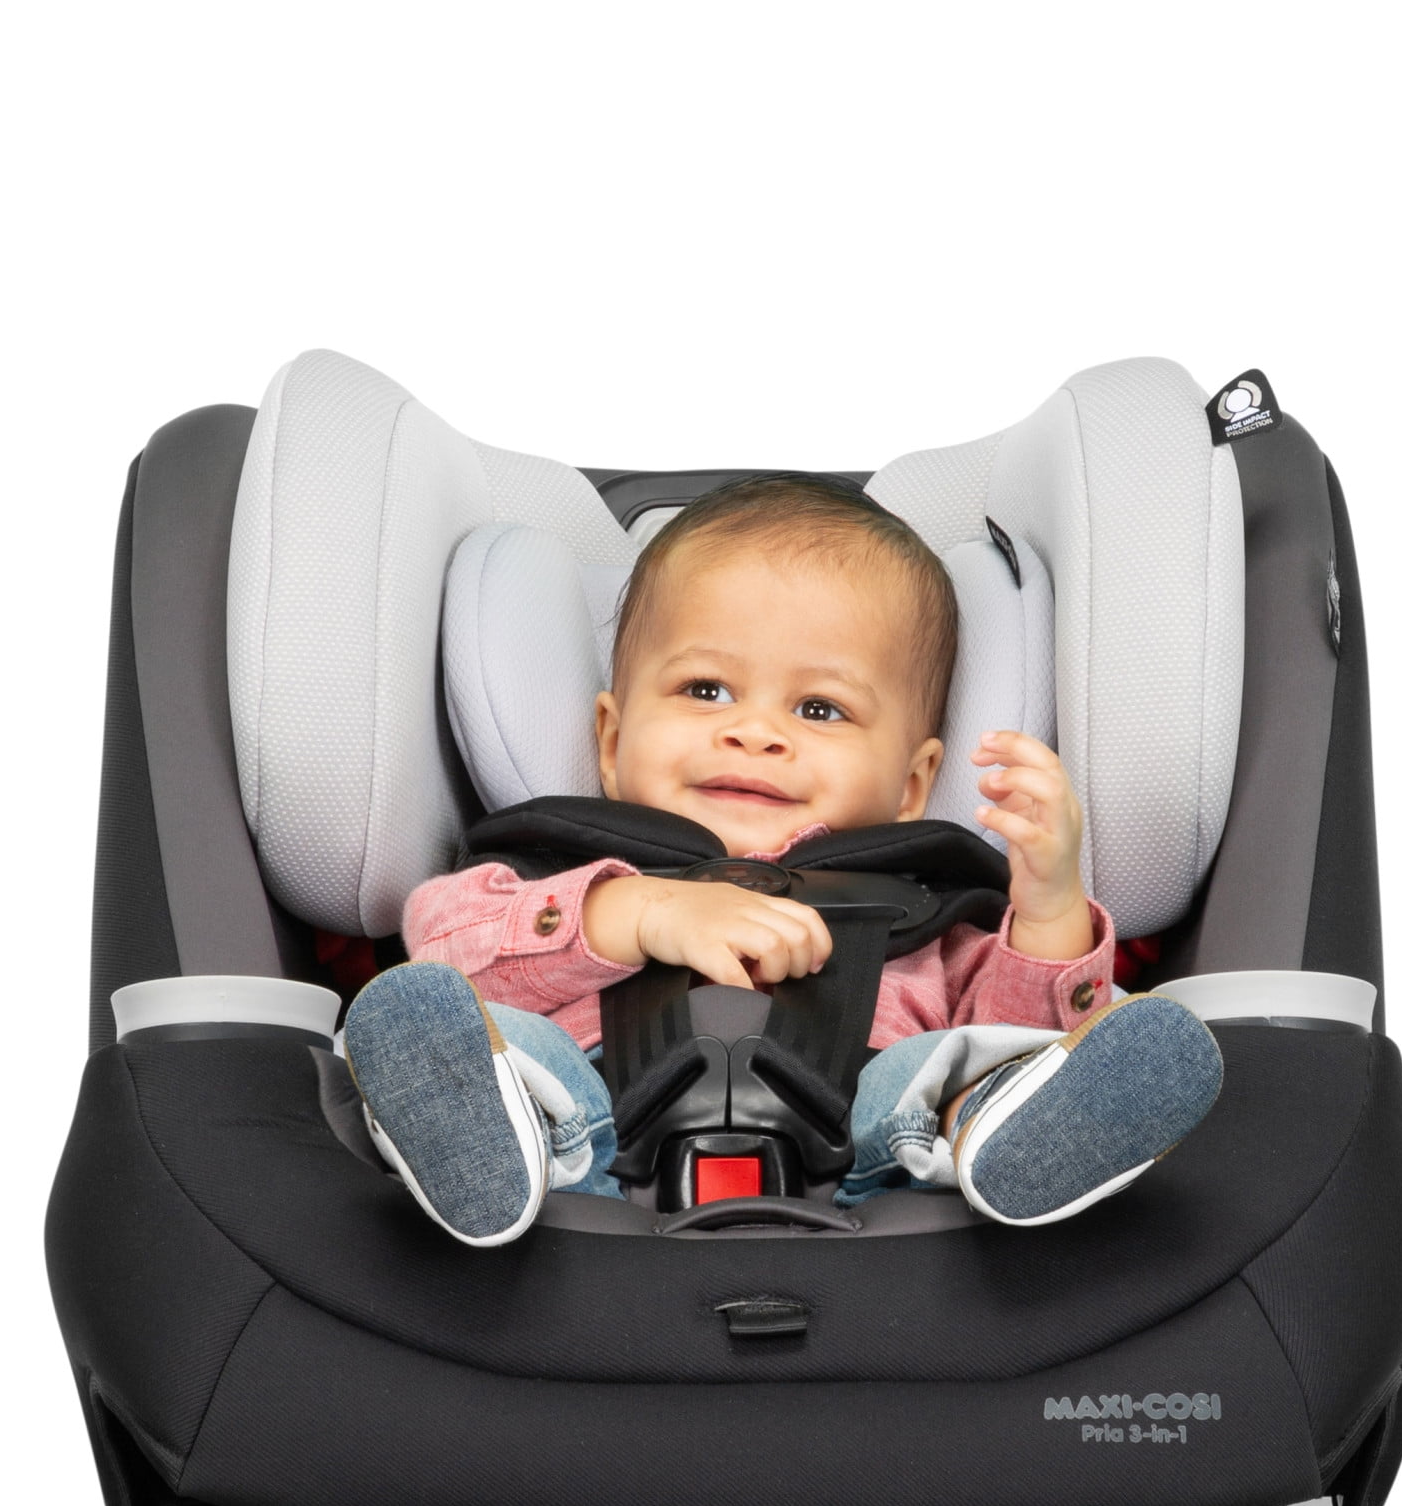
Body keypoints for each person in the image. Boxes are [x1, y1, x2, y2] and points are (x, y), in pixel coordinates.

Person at [339, 474, 1222, 1244]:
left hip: (880, 1181)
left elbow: (1026, 1027)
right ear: (610, 739)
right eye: (705, 689)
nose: (754, 731)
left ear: (913, 783)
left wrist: (1050, 904)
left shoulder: (929, 909)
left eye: (820, 710)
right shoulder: (560, 869)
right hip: (586, 1165)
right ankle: (486, 1140)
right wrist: (632, 914)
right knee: (498, 1042)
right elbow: (441, 941)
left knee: (956, 1065)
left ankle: (1011, 1142)